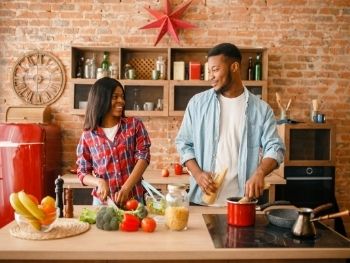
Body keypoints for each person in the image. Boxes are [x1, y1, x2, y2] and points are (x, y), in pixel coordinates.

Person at [175, 43, 285, 206]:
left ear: (234, 67)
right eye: (209, 71)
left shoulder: (261, 109)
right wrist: (198, 174)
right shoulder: (197, 104)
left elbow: (275, 148)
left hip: (242, 202)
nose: (210, 76)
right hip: (202, 201)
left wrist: (260, 173)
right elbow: (183, 144)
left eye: (215, 70)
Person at [76, 77, 151, 206]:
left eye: (122, 96)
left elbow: (143, 157)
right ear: (101, 100)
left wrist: (126, 188)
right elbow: (82, 172)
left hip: (133, 200)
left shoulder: (134, 125)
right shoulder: (88, 135)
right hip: (103, 203)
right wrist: (99, 182)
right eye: (115, 97)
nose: (121, 101)